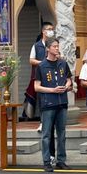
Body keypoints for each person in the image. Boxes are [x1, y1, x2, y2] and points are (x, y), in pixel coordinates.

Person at [34, 38, 72, 172]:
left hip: (62, 102)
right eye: (54, 46)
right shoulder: (41, 66)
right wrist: (52, 90)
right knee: (46, 134)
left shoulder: (63, 63)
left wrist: (67, 86)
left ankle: (61, 160)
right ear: (48, 49)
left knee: (62, 133)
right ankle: (46, 161)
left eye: (58, 46)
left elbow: (69, 80)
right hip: (48, 103)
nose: (57, 48)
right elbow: (37, 87)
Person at [27, 22, 56, 158]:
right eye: (49, 29)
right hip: (40, 75)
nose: (51, 31)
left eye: (52, 29)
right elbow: (31, 60)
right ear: (43, 31)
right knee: (40, 99)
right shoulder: (37, 45)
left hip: (53, 76)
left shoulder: (55, 44)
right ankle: (42, 122)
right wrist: (42, 63)